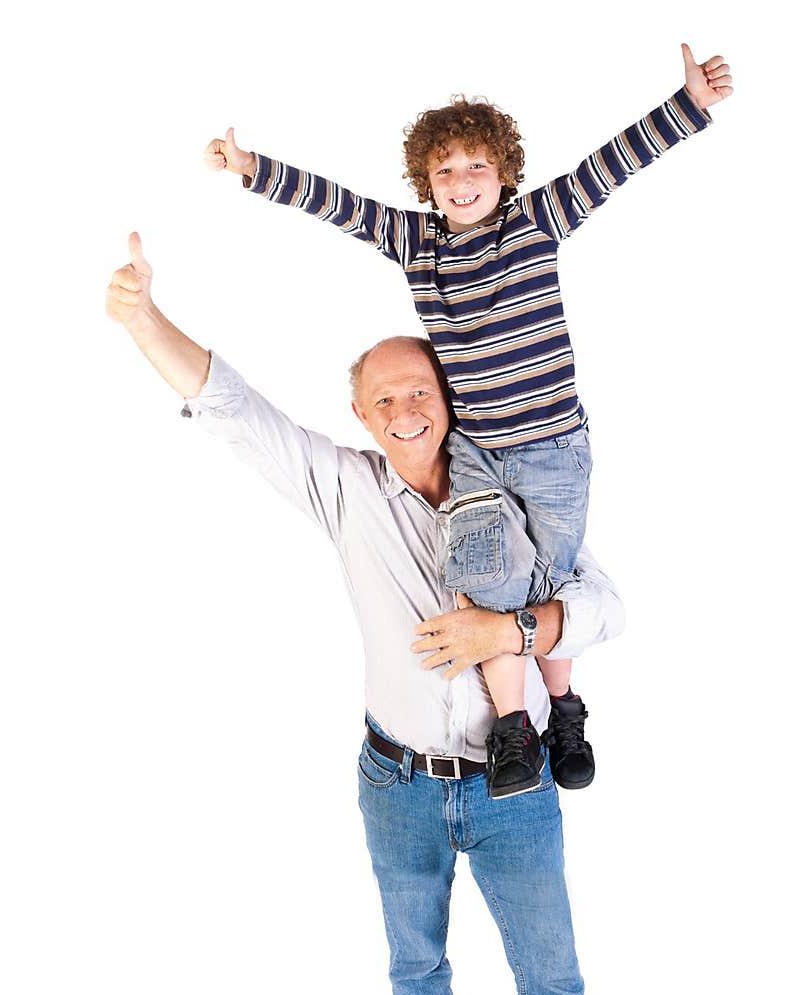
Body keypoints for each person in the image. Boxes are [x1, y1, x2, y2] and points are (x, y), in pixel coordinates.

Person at [105, 234, 639, 995]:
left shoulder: (513, 491)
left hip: (518, 783)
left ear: (450, 399)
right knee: (414, 953)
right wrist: (142, 316)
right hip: (399, 782)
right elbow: (232, 408)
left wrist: (504, 634)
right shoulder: (345, 491)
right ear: (360, 411)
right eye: (384, 398)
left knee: (548, 960)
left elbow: (604, 607)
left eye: (420, 392)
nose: (404, 410)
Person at [203, 43, 732, 799]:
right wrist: (253, 168)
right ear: (427, 184)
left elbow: (609, 166)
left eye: (476, 166)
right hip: (479, 450)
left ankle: (567, 712)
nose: (461, 182)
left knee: (553, 578)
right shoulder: (416, 244)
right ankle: (515, 728)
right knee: (486, 572)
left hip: (553, 448)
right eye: (444, 171)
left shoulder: (538, 222)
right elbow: (336, 204)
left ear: (504, 174)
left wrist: (687, 106)